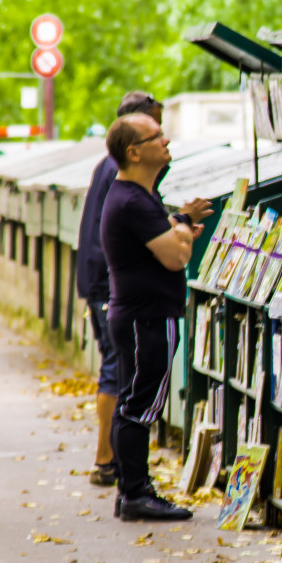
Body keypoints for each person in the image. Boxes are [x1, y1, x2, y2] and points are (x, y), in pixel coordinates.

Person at [100, 112, 213, 521]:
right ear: (134, 151)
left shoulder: (137, 197)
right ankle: (134, 494)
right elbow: (176, 256)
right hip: (145, 319)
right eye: (156, 136)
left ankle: (133, 489)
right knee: (139, 405)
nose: (166, 141)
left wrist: (177, 227)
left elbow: (169, 240)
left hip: (138, 316)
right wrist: (182, 224)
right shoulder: (132, 199)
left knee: (135, 401)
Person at [80, 91, 167, 488]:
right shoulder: (122, 175)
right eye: (157, 130)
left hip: (100, 281)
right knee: (117, 373)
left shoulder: (107, 167)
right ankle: (106, 459)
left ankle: (110, 459)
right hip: (109, 286)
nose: (165, 140)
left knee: (116, 371)